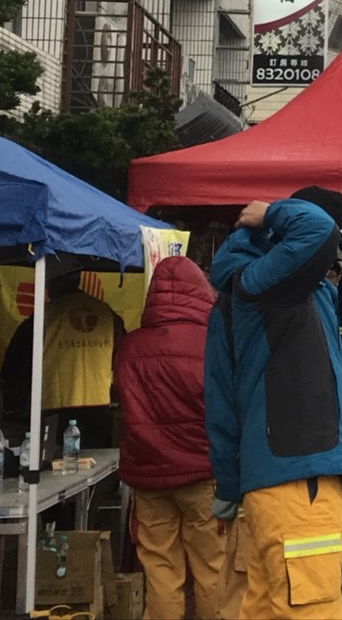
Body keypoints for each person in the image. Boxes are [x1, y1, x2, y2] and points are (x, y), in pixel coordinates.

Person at [205, 187, 342, 619]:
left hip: (268, 484)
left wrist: (228, 488)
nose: (337, 258)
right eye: (338, 246)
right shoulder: (272, 286)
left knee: (263, 606)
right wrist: (272, 212)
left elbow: (221, 401)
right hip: (301, 476)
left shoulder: (241, 295)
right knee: (309, 608)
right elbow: (317, 230)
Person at [113, 256, 236, 620]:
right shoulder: (214, 342)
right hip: (203, 473)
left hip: (148, 475)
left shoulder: (131, 346)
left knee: (160, 569)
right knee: (213, 568)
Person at [3, 266, 124, 446]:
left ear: (52, 283)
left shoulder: (43, 316)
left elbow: (15, 365)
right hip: (100, 407)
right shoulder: (106, 313)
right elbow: (122, 357)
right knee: (98, 463)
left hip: (54, 406)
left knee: (58, 466)